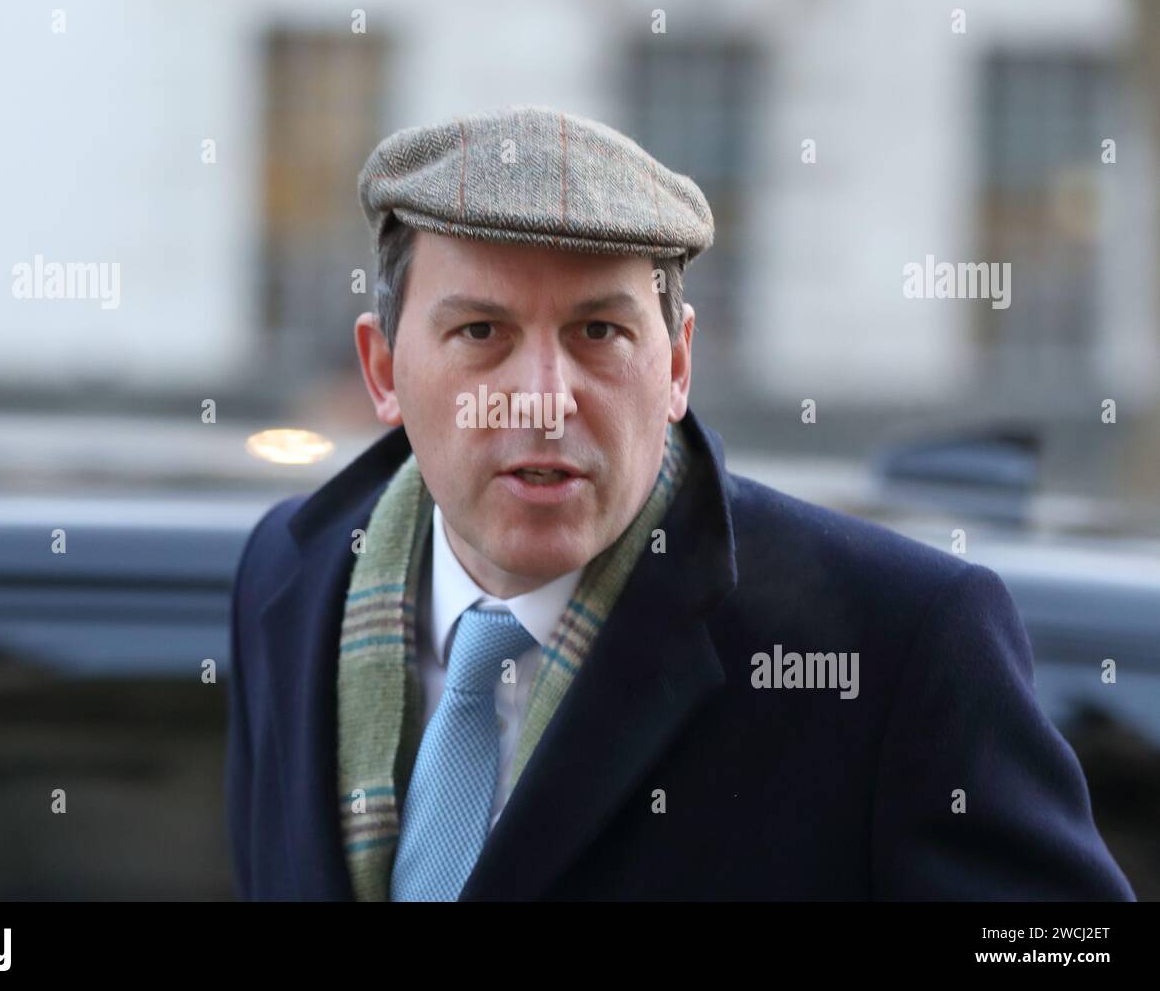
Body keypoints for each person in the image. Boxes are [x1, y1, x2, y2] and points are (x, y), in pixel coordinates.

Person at [225, 103, 1135, 901]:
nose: (544, 397)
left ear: (677, 363)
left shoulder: (898, 642)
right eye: (480, 332)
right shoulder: (290, 582)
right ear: (383, 369)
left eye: (599, 332)